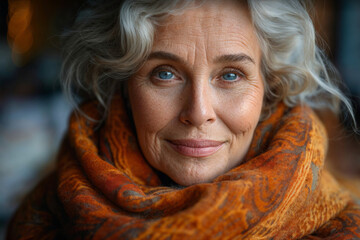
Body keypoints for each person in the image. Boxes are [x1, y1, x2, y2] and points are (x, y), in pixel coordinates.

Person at [7, 0, 360, 239]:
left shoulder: (342, 226)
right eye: (165, 73)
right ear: (125, 85)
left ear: (270, 89)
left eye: (231, 75)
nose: (198, 112)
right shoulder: (47, 214)